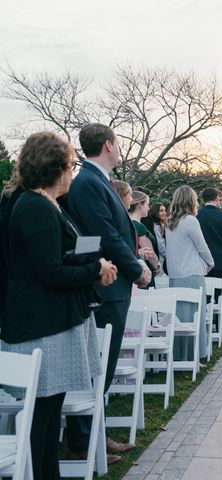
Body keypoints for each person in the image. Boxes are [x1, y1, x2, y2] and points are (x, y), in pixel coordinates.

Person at [0, 132, 117, 479]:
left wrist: (90, 264)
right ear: (53, 168)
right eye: (68, 166)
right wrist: (95, 269)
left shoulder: (45, 203)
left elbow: (57, 257)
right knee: (43, 411)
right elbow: (50, 272)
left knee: (52, 409)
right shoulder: (34, 206)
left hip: (55, 321)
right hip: (43, 324)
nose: (71, 173)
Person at [66, 123, 151, 460]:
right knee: (97, 367)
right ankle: (85, 441)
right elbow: (107, 235)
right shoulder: (88, 182)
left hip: (114, 284)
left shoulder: (97, 180)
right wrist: (136, 269)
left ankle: (97, 434)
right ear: (107, 145)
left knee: (105, 365)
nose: (119, 149)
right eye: (117, 143)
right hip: (107, 286)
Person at [165, 185, 214, 361]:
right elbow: (202, 246)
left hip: (175, 276)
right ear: (190, 201)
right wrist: (210, 262)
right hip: (192, 275)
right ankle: (194, 355)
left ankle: (179, 356)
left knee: (178, 318)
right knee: (194, 316)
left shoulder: (170, 222)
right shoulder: (191, 221)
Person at [197, 187, 222, 339]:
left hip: (201, 264)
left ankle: (203, 330)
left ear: (202, 200)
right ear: (216, 199)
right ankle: (221, 331)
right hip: (221, 264)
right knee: (220, 297)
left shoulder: (196, 216)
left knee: (203, 298)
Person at [129, 190, 161, 287]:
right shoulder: (138, 226)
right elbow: (149, 252)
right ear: (140, 204)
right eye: (147, 204)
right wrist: (156, 267)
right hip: (144, 272)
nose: (149, 208)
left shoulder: (126, 223)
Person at [149, 203, 167, 270]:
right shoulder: (156, 227)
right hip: (161, 260)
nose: (164, 213)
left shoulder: (162, 225)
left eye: (165, 210)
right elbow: (161, 246)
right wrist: (171, 257)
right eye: (161, 211)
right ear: (156, 212)